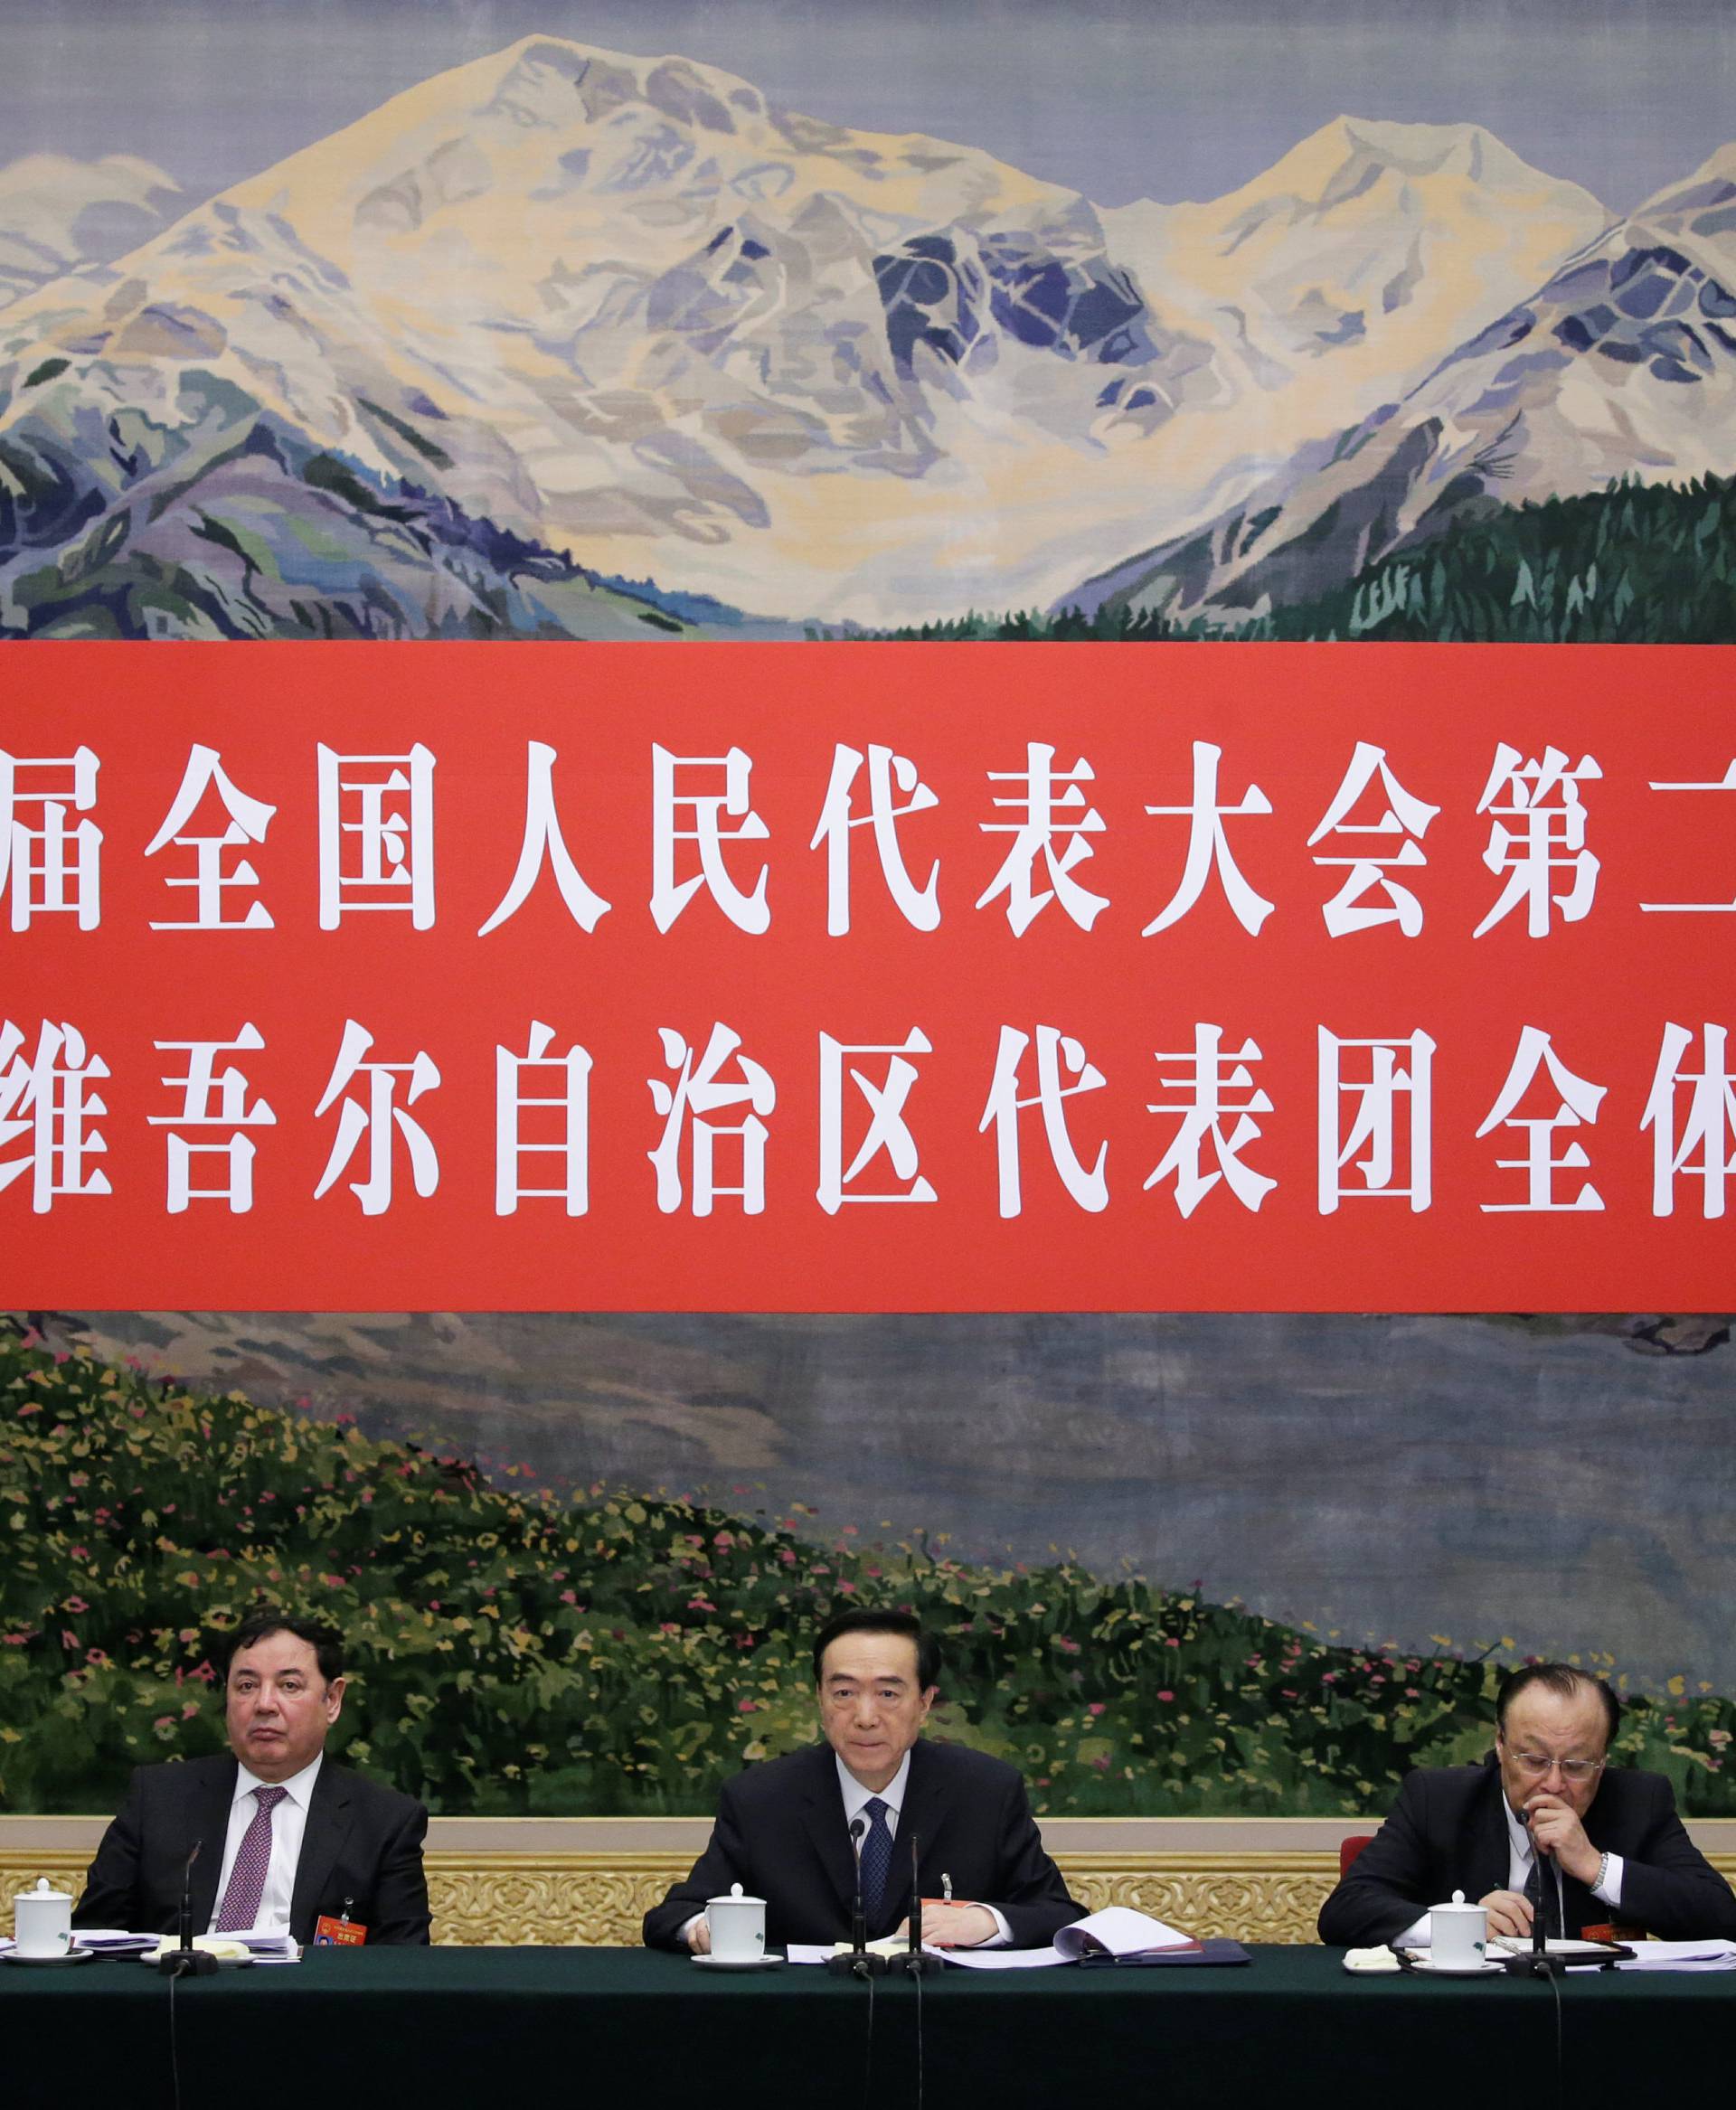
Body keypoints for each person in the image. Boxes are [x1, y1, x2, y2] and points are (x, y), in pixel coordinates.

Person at [643, 1607, 1084, 1953]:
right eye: (844, 1693)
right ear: (820, 1699)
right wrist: (703, 1928)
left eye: (889, 1694)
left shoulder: (986, 1791)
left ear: (925, 1702)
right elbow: (673, 1915)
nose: (865, 1718)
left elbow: (1059, 1914)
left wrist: (986, 1921)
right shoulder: (761, 1797)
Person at [73, 1606, 431, 1945]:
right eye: (246, 1686)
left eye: (289, 1686)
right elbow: (94, 1936)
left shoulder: (385, 1822)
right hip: (176, 2001)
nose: (264, 1704)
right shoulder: (158, 1798)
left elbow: (403, 1966)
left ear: (333, 1700)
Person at [1318, 1662, 1736, 1948]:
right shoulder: (1438, 1799)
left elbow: (1721, 1918)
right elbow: (1345, 1911)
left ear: (1603, 1760)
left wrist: (1596, 1866)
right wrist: (1458, 1924)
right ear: (1500, 1744)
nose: (1553, 1784)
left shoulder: (1639, 1802)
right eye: (1534, 1760)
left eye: (1577, 1765)